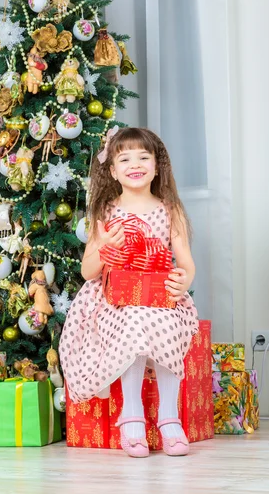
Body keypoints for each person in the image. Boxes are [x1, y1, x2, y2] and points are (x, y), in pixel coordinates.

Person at [59, 127, 199, 458]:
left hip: (160, 295)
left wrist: (184, 281)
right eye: (124, 158)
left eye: (143, 157)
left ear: (156, 165)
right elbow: (87, 271)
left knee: (161, 320)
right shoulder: (105, 212)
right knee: (134, 322)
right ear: (112, 170)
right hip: (112, 300)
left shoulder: (169, 209)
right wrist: (105, 245)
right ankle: (132, 416)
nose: (134, 164)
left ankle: (169, 418)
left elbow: (187, 263)